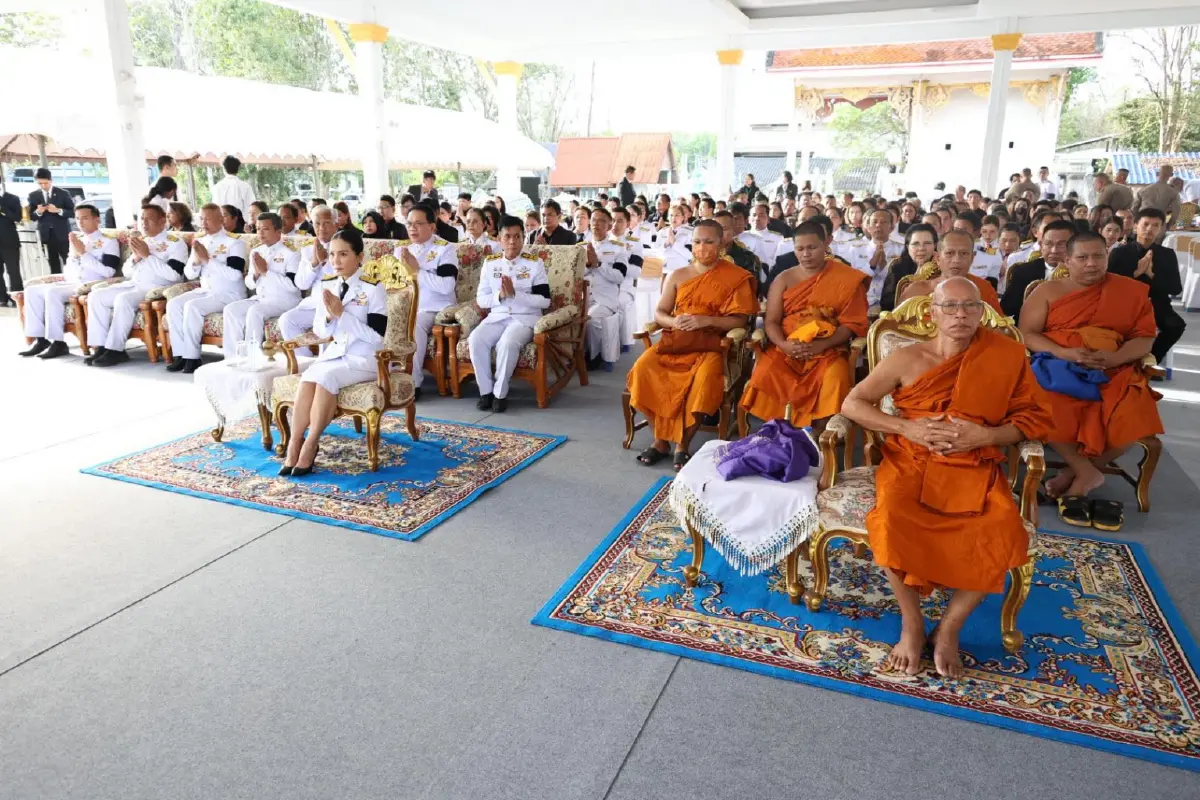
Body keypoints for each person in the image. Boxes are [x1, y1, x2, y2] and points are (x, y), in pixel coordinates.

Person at [842, 276, 1051, 676]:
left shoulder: (1006, 355)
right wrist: (907, 428)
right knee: (889, 520)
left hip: (975, 464)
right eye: (949, 307)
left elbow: (1035, 418)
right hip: (911, 460)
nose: (960, 315)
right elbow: (853, 402)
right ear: (932, 313)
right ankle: (913, 623)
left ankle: (950, 627)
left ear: (981, 313)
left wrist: (987, 435)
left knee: (1004, 528)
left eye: (969, 307)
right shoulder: (907, 358)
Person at [1019, 232, 1163, 520]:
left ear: (1107, 256)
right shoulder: (1048, 291)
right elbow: (1026, 334)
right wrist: (1065, 354)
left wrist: (1114, 359)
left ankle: (1077, 474)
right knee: (1039, 404)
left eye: (1098, 256)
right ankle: (1086, 472)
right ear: (1068, 260)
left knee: (1131, 411)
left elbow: (1144, 339)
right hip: (1058, 367)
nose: (1091, 263)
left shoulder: (1129, 291)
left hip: (1115, 369)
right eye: (1082, 258)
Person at [626, 219, 757, 469]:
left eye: (709, 242)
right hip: (676, 340)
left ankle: (682, 444)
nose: (702, 247)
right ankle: (660, 440)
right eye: (697, 241)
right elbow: (660, 313)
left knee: (704, 381)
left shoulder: (736, 277)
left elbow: (740, 320)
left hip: (710, 344)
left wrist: (704, 320)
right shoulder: (678, 275)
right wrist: (676, 322)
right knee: (642, 370)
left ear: (721, 244)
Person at [740, 220, 868, 430]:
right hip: (786, 349)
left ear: (826, 246)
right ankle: (778, 432)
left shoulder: (846, 278)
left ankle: (820, 435)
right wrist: (783, 344)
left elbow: (851, 324)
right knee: (765, 372)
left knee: (835, 378)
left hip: (829, 350)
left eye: (812, 247)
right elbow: (771, 321)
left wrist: (822, 345)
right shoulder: (784, 278)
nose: (806, 254)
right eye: (800, 249)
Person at [280, 228, 387, 477]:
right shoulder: (327, 284)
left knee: (325, 377)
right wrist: (329, 315)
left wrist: (342, 315)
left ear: (359, 257)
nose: (336, 261)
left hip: (365, 358)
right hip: (335, 354)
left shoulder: (373, 288)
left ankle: (311, 442)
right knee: (309, 376)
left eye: (343, 254)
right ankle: (295, 442)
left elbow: (376, 337)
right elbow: (320, 330)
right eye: (332, 254)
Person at [85, 204, 187, 366]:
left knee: (123, 300)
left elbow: (174, 276)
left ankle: (115, 350)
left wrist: (147, 256)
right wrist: (136, 258)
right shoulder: (142, 241)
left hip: (155, 288)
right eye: (141, 219)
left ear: (162, 221)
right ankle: (101, 347)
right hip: (134, 284)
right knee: (96, 296)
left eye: (149, 219)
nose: (144, 223)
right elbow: (126, 272)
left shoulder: (175, 243)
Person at [470, 215, 553, 412]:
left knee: (507, 342)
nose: (512, 241)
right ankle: (486, 392)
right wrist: (500, 295)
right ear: (499, 237)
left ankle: (500, 394)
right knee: (475, 339)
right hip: (497, 316)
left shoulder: (535, 263)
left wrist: (516, 295)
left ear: (524, 238)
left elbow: (544, 300)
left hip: (524, 319)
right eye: (507, 236)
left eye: (517, 236)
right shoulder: (490, 263)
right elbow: (482, 299)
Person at [19, 204, 119, 359]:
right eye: (78, 218)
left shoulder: (108, 242)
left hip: (92, 284)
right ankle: (41, 339)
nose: (80, 222)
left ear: (97, 219)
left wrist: (84, 254)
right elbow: (69, 270)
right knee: (32, 290)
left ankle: (58, 343)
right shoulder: (77, 239)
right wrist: (73, 256)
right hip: (72, 282)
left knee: (53, 293)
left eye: (85, 218)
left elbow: (109, 272)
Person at [164, 203, 248, 374]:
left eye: (208, 219)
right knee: (174, 304)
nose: (204, 223)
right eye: (201, 218)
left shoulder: (234, 243)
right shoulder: (200, 241)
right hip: (206, 291)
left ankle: (192, 357)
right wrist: (195, 262)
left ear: (220, 220)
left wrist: (208, 260)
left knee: (192, 306)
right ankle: (180, 354)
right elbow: (189, 273)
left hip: (229, 293)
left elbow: (235, 275)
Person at [1106, 208, 1186, 363]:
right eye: (1145, 224)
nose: (1149, 229)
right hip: (1125, 303)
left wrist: (1151, 276)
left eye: (1155, 225)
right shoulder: (1120, 253)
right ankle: (1121, 360)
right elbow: (1109, 284)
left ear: (1162, 228)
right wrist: (1136, 274)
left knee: (1176, 325)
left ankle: (1150, 360)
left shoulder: (1167, 254)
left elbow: (1176, 288)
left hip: (1156, 303)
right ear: (1136, 226)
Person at [396, 204, 459, 398]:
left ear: (431, 227)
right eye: (409, 224)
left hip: (435, 307)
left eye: (418, 224)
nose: (412, 228)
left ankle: (413, 384)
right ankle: (386, 377)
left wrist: (417, 271)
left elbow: (446, 285)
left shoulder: (445, 249)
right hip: (406, 305)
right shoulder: (401, 250)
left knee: (414, 325)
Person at [222, 212, 301, 361]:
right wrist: (257, 275)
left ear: (278, 231)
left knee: (255, 312)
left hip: (284, 300)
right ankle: (233, 358)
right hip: (261, 298)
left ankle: (253, 358)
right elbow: (250, 283)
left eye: (265, 229)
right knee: (231, 309)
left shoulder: (291, 254)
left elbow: (293, 286)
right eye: (258, 229)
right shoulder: (257, 251)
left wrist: (266, 271)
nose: (260, 233)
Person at [901, 229, 1002, 312]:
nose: (956, 260)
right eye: (949, 253)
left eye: (964, 253)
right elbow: (893, 332)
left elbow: (1000, 330)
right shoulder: (916, 291)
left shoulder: (984, 288)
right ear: (937, 258)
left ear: (972, 258)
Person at [583, 207, 634, 371]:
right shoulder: (581, 246)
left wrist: (598, 264)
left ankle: (594, 356)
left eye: (601, 221)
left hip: (605, 299)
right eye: (593, 220)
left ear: (609, 224)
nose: (596, 224)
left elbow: (619, 276)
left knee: (590, 320)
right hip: (583, 297)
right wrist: (587, 265)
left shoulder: (619, 248)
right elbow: (575, 274)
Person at [279, 206, 339, 341]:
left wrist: (324, 261)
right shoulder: (307, 249)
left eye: (326, 223)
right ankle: (304, 360)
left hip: (338, 305)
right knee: (286, 320)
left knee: (327, 327)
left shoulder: (344, 246)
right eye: (317, 223)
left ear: (336, 225)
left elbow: (346, 276)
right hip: (314, 304)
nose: (321, 228)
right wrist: (314, 264)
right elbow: (302, 284)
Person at [1000, 219, 1075, 322]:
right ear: (1041, 245)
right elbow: (1007, 311)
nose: (1054, 250)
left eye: (1061, 244)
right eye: (1048, 244)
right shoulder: (1023, 272)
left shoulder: (1084, 273)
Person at [844, 207, 902, 307]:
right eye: (874, 222)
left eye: (883, 222)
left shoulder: (901, 250)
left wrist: (885, 267)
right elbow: (851, 279)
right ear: (868, 227)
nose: (878, 225)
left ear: (892, 228)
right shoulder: (855, 249)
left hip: (892, 303)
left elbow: (902, 280)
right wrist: (872, 266)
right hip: (862, 302)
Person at [878, 223, 938, 313]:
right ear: (907, 246)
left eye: (927, 243)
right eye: (915, 244)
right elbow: (887, 305)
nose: (921, 248)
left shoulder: (944, 268)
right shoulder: (897, 268)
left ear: (935, 245)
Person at [27, 168, 74, 275]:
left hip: (63, 234)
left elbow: (73, 212)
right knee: (53, 263)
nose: (43, 186)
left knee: (69, 261)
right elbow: (31, 216)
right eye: (40, 183)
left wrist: (58, 210)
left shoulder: (63, 193)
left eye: (45, 183)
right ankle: (56, 286)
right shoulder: (33, 196)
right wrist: (38, 212)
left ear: (51, 180)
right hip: (46, 235)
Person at [713, 210, 762, 287]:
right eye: (715, 230)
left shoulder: (748, 258)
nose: (719, 234)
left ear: (733, 230)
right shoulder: (704, 255)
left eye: (724, 229)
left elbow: (752, 288)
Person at [0, 187, 22, 306]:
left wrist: (3, 209)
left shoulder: (12, 198)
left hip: (10, 241)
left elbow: (18, 217)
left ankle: (17, 297)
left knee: (13, 271)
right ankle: (2, 298)